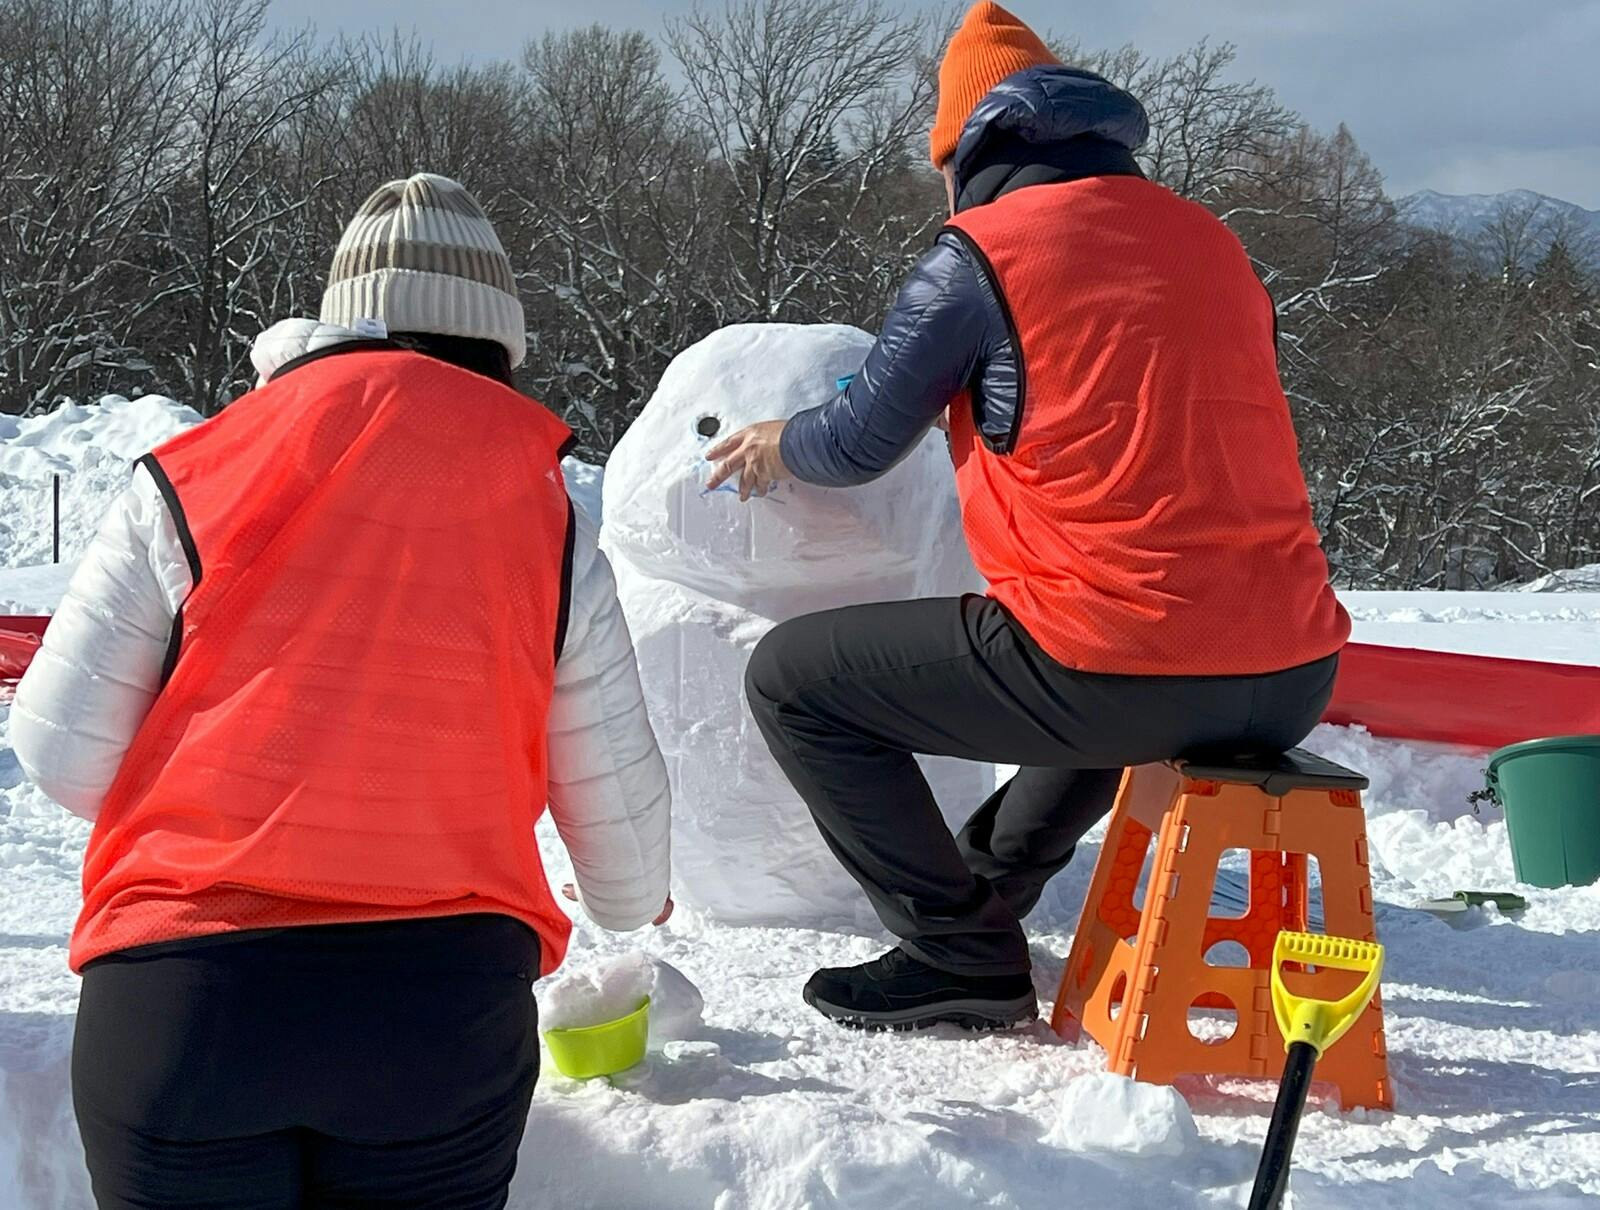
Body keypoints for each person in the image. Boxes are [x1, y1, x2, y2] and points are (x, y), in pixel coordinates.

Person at [12, 173, 672, 1208]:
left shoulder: (191, 472)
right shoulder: (549, 515)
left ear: (337, 320)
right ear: (499, 341)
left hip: (183, 1013)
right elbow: (626, 869)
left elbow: (61, 753)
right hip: (435, 1023)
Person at [708, 2, 1349, 1032]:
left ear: (965, 150)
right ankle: (988, 896)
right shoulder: (1210, 244)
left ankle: (955, 949)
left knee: (792, 681)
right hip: (1293, 671)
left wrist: (781, 440)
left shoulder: (980, 255)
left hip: (1125, 660)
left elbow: (863, 441)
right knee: (1112, 642)